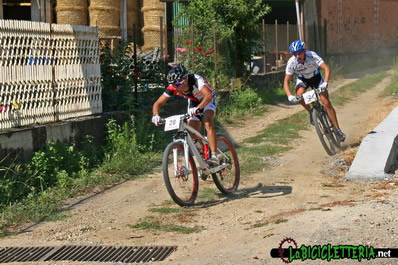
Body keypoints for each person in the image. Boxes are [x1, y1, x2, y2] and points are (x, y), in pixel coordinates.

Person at [151, 64, 220, 165]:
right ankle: (203, 153)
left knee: (207, 123)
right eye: (173, 85)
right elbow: (158, 103)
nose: (176, 88)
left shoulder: (196, 80)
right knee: (192, 133)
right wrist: (155, 115)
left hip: (207, 100)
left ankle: (214, 156)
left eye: (178, 85)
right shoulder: (173, 87)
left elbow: (208, 96)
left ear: (185, 79)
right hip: (193, 102)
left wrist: (198, 108)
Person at [283, 40, 346, 142]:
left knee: (325, 102)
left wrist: (325, 83)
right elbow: (286, 81)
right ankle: (311, 112)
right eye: (294, 53)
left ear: (304, 50)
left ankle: (338, 130)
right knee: (299, 95)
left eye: (299, 52)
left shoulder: (312, 55)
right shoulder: (292, 62)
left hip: (316, 78)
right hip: (303, 79)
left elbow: (326, 69)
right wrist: (289, 95)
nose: (297, 56)